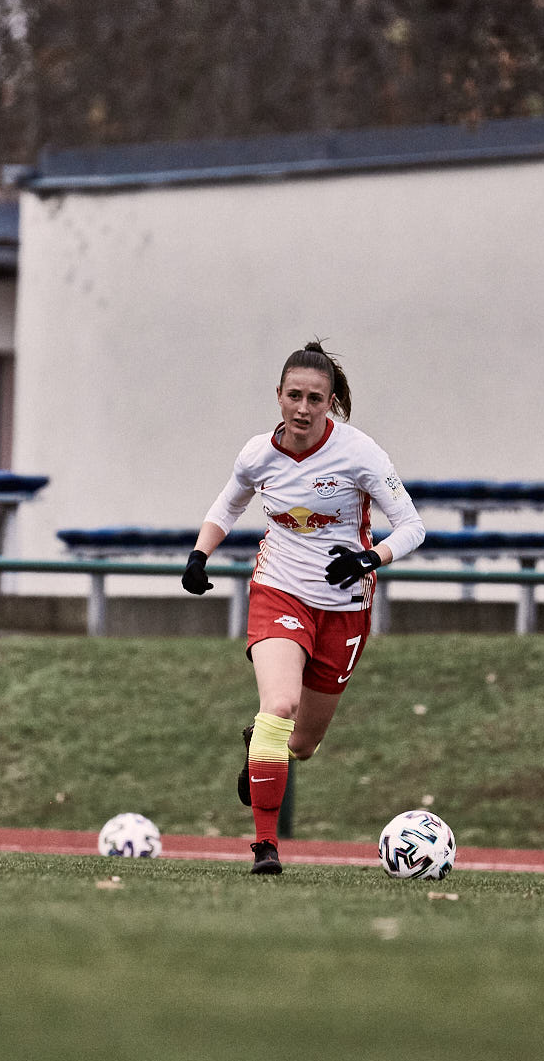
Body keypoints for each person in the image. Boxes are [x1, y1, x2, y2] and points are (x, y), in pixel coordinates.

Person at [182, 342, 425, 874]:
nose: (302, 407)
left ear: (330, 402)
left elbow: (412, 527)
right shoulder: (257, 454)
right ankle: (265, 848)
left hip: (344, 607)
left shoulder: (361, 454)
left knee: (305, 742)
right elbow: (229, 504)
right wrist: (201, 554)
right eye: (294, 395)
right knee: (280, 705)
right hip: (279, 589)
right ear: (279, 396)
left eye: (315, 398)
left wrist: (368, 558)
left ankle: (261, 749)